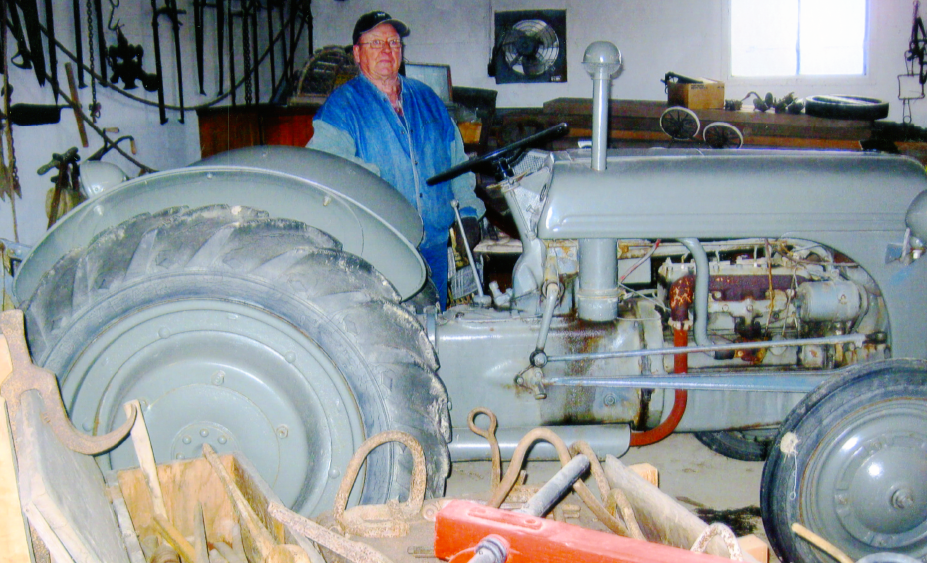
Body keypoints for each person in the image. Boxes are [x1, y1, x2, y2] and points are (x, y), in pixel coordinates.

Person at [308, 10, 485, 309]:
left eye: (393, 43)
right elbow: (326, 168)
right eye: (376, 43)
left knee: (437, 324)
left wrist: (468, 211)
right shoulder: (342, 107)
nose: (387, 51)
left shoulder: (428, 98)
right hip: (383, 249)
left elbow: (458, 161)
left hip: (436, 244)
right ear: (357, 53)